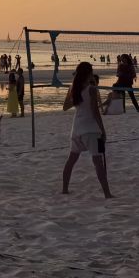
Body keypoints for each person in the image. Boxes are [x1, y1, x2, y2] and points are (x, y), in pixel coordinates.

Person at [61, 61, 112, 197]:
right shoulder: (91, 89)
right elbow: (95, 112)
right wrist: (103, 130)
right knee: (98, 162)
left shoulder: (73, 87)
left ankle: (65, 189)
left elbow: (65, 107)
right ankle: (107, 193)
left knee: (71, 160)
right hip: (91, 129)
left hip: (76, 128)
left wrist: (76, 99)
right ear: (88, 73)